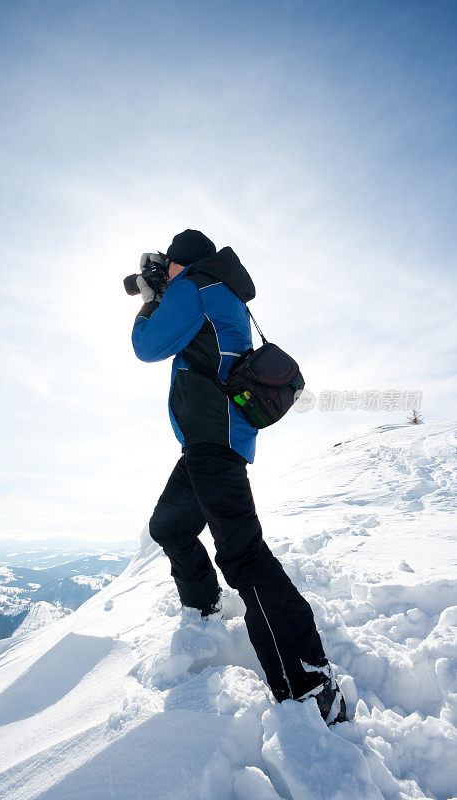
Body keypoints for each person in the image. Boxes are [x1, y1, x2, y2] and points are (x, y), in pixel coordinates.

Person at [131, 229, 347, 725]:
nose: (163, 274)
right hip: (208, 444)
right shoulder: (218, 291)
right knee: (169, 526)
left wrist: (149, 302)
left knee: (244, 556)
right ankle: (205, 609)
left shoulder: (195, 288)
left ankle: (309, 686)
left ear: (181, 264)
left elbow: (148, 345)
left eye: (167, 267)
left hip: (214, 444)